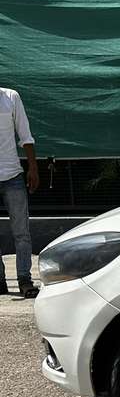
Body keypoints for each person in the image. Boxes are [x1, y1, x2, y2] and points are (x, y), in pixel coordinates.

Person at [0, 87, 40, 298]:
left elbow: (25, 134)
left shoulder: (10, 97)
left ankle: (24, 279)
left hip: (12, 175)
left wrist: (33, 168)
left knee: (21, 232)